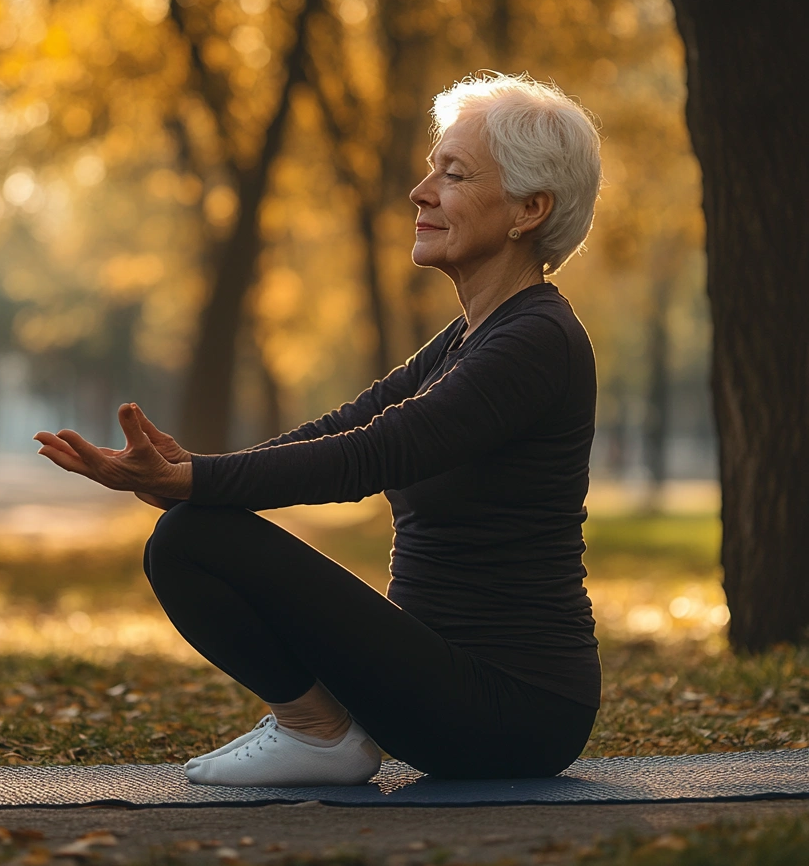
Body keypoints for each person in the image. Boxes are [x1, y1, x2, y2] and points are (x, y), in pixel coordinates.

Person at [35, 72, 603, 787]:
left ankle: (318, 731)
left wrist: (196, 484)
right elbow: (348, 424)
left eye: (452, 174)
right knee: (188, 528)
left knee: (192, 537)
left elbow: (375, 452)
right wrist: (196, 473)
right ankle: (323, 730)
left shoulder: (537, 339)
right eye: (432, 168)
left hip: (516, 709)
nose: (420, 192)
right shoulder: (473, 335)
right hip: (444, 680)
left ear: (529, 209)